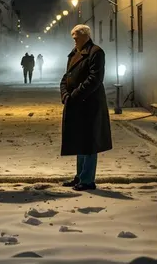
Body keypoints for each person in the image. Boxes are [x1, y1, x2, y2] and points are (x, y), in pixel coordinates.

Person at [60, 24, 112, 191]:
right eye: (73, 38)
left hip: (90, 105)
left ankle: (87, 179)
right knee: (80, 141)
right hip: (77, 105)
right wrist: (65, 95)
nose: (74, 41)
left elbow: (95, 79)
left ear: (85, 36)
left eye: (76, 38)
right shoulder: (74, 53)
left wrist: (74, 95)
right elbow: (66, 77)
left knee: (89, 143)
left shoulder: (95, 52)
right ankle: (80, 176)